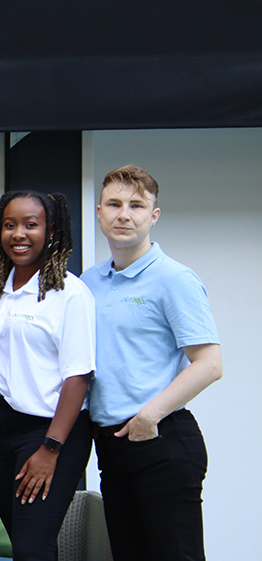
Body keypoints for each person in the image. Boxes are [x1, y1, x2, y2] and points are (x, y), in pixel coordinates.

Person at [82, 165, 221, 561]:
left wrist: (149, 417)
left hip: (161, 442)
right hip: (111, 447)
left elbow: (209, 363)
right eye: (114, 204)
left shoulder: (173, 279)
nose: (124, 214)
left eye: (137, 205)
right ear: (99, 212)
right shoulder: (89, 283)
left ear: (153, 216)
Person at [0, 190, 95, 561]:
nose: (18, 234)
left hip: (47, 433)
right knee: (26, 545)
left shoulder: (70, 293)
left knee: (32, 547)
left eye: (31, 224)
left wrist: (50, 448)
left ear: (52, 231)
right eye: (9, 225)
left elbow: (79, 376)